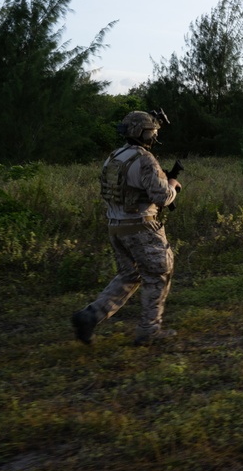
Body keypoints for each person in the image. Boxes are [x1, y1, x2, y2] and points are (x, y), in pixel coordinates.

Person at [71, 109, 182, 346]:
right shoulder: (144, 159)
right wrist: (173, 186)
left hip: (117, 227)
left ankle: (90, 316)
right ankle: (149, 330)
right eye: (152, 131)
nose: (154, 136)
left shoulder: (113, 157)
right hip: (141, 228)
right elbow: (162, 197)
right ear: (142, 132)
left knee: (129, 275)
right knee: (158, 276)